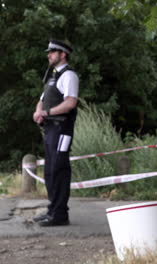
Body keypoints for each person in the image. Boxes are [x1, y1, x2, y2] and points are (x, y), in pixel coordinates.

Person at [32, 39, 79, 227]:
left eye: (53, 52)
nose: (49, 55)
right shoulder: (52, 76)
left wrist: (47, 113)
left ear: (63, 54)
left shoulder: (69, 76)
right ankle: (52, 210)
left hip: (62, 129)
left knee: (59, 169)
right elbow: (42, 100)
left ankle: (60, 214)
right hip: (50, 129)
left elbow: (70, 102)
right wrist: (38, 112)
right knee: (50, 171)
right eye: (49, 52)